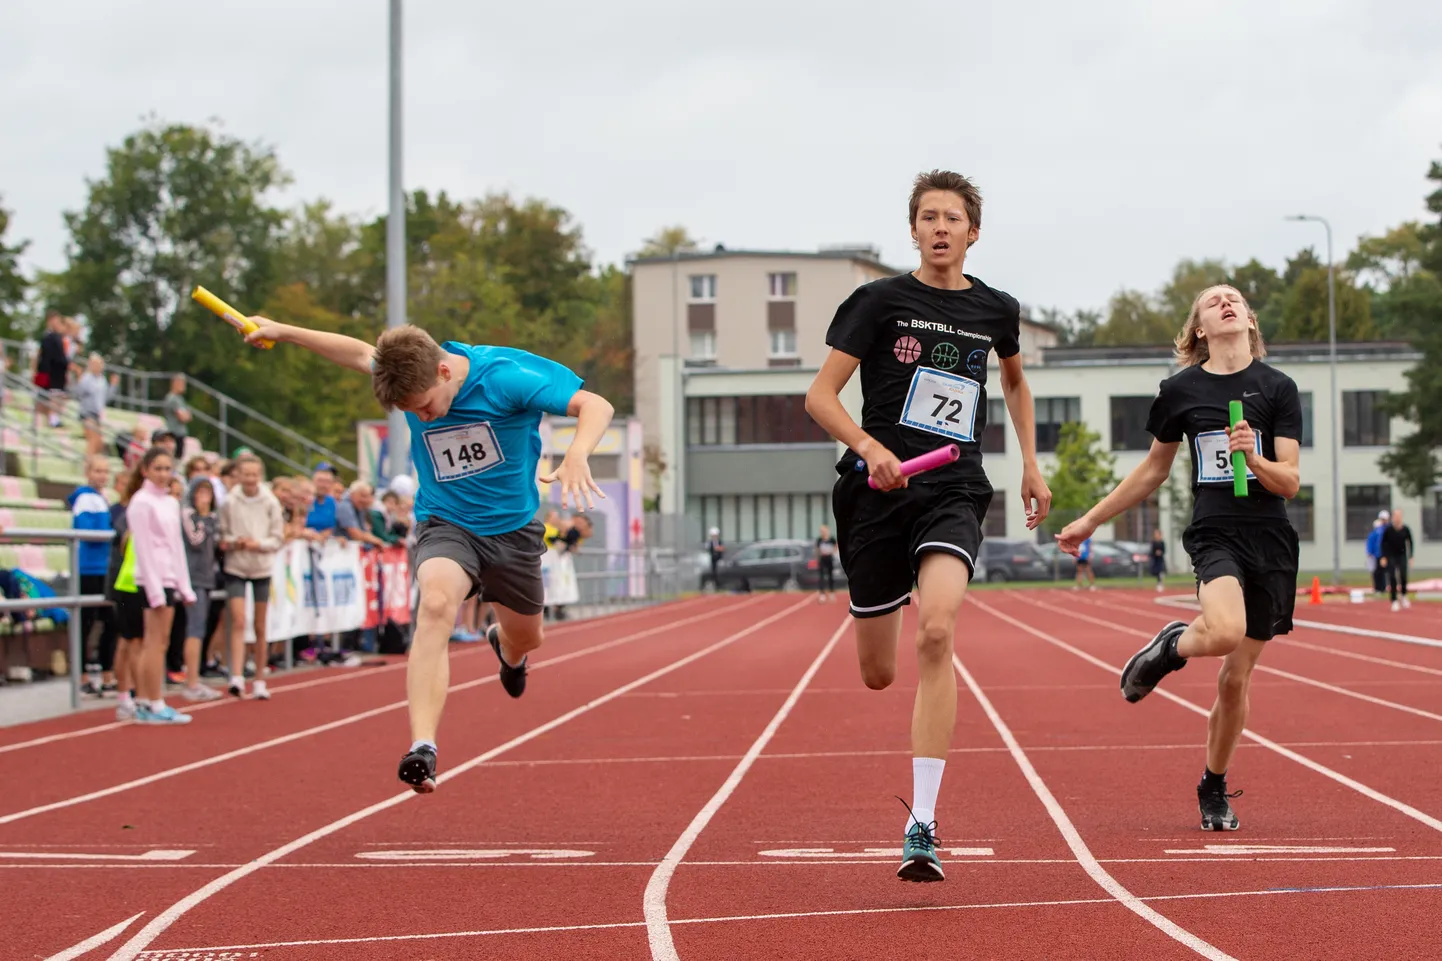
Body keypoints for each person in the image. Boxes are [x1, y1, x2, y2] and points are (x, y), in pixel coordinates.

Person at [239, 314, 614, 794]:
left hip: (513, 531)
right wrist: (284, 330)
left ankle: (508, 649)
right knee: (436, 605)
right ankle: (424, 746)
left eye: (425, 408)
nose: (422, 418)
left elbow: (594, 404)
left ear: (442, 372)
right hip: (446, 523)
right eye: (410, 413)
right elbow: (356, 352)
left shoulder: (505, 377)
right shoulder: (407, 370)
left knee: (529, 637)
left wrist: (579, 452)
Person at [804, 169, 1051, 882]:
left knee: (938, 628)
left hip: (953, 485)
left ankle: (922, 822)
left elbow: (1013, 379)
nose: (941, 227)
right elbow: (820, 396)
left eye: (953, 218)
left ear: (974, 233)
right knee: (880, 672)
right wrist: (871, 448)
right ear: (912, 229)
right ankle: (877, 610)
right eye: (929, 216)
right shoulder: (878, 302)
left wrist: (1031, 464)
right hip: (878, 493)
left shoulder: (997, 310)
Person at [1057, 284, 1303, 833]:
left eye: (1234, 298)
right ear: (1199, 329)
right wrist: (1091, 520)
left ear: (1249, 320)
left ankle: (1212, 785)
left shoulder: (1278, 388)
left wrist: (1254, 458)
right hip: (1215, 532)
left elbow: (1290, 480)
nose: (1226, 303)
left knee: (1236, 678)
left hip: (1271, 539)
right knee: (1221, 631)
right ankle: (1171, 646)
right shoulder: (1181, 390)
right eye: (1213, 301)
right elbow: (1152, 470)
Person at [125, 446, 197, 725]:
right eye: (158, 469)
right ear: (145, 470)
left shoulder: (170, 502)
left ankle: (148, 701)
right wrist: (155, 591)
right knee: (153, 643)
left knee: (160, 642)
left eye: (168, 469)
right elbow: (143, 548)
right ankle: (152, 702)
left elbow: (176, 547)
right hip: (151, 580)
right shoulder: (141, 502)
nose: (164, 474)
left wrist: (184, 585)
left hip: (168, 579)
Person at [219, 453, 285, 699]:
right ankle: (236, 674)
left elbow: (277, 537)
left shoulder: (270, 501)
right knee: (237, 620)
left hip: (261, 566)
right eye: (246, 474)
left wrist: (258, 543)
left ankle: (259, 678)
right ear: (238, 475)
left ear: (260, 476)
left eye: (254, 474)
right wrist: (234, 542)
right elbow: (222, 534)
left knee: (259, 624)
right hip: (236, 565)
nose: (250, 479)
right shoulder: (229, 501)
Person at [69, 455, 117, 695]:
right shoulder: (84, 498)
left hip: (103, 567)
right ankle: (82, 676)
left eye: (105, 471)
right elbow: (87, 531)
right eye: (98, 470)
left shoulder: (101, 498)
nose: (102, 475)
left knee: (109, 620)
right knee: (86, 622)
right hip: (89, 567)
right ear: (88, 472)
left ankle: (107, 673)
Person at [180, 478, 223, 701]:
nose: (205, 496)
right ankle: (191, 682)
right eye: (201, 491)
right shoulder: (188, 515)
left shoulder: (213, 517)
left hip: (207, 577)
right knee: (194, 629)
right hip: (192, 577)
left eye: (208, 492)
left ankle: (195, 678)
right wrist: (205, 517)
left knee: (201, 628)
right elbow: (196, 540)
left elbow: (217, 542)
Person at [1379, 508, 1414, 612]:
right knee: (1393, 576)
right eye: (1395, 515)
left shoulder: (1405, 529)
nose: (1397, 518)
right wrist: (1383, 557)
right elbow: (1383, 544)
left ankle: (1403, 595)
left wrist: (1411, 556)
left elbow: (1410, 542)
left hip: (1402, 555)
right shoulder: (1388, 530)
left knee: (1403, 575)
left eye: (1399, 515)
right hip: (1391, 556)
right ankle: (1394, 600)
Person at [162, 375, 192, 448]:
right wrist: (186, 414)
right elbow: (183, 417)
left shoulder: (179, 398)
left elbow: (188, 416)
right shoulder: (172, 398)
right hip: (174, 433)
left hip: (179, 433)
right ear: (175, 383)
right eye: (182, 384)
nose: (184, 386)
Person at [1366, 512, 1388, 595]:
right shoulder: (1377, 533)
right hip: (1378, 555)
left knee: (1379, 572)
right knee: (1379, 572)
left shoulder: (1380, 532)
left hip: (1378, 555)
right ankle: (1380, 587)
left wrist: (1369, 553)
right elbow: (1372, 544)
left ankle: (1380, 588)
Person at [815, 523, 837, 603]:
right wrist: (818, 557)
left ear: (827, 531)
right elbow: (817, 549)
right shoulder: (819, 540)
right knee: (821, 577)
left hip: (829, 558)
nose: (822, 532)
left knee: (830, 576)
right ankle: (822, 595)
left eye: (824, 530)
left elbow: (836, 546)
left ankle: (831, 593)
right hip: (822, 559)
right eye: (821, 531)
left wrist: (833, 552)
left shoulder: (832, 539)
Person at [1149, 526, 1167, 593]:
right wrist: (1155, 553)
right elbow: (1151, 552)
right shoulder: (1153, 542)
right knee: (1155, 572)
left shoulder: (1162, 542)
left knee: (1160, 571)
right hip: (1155, 559)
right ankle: (1159, 583)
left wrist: (1160, 552)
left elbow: (1164, 551)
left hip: (1160, 559)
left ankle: (1160, 584)